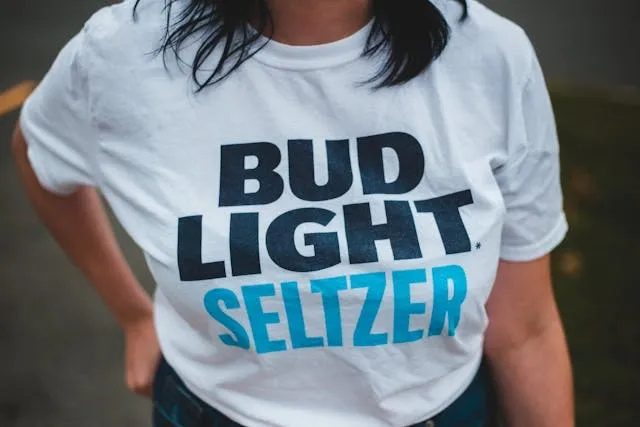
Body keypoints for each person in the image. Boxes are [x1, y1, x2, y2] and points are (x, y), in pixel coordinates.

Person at [11, 0, 574, 426]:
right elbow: (40, 151)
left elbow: (525, 329)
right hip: (213, 410)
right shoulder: (123, 55)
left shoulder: (490, 57)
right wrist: (133, 315)